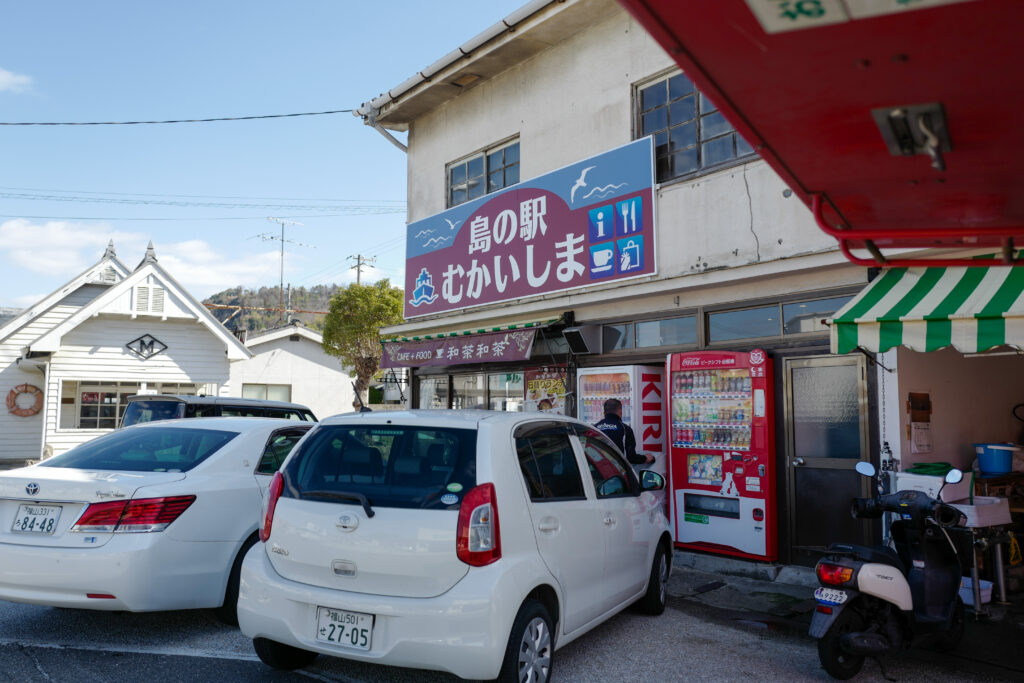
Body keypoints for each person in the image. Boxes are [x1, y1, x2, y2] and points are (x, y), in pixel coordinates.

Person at [594, 398, 654, 466]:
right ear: (620, 411)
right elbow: (631, 457)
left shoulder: (594, 428)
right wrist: (645, 458)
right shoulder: (625, 429)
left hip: (596, 470)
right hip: (617, 471)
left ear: (604, 412)